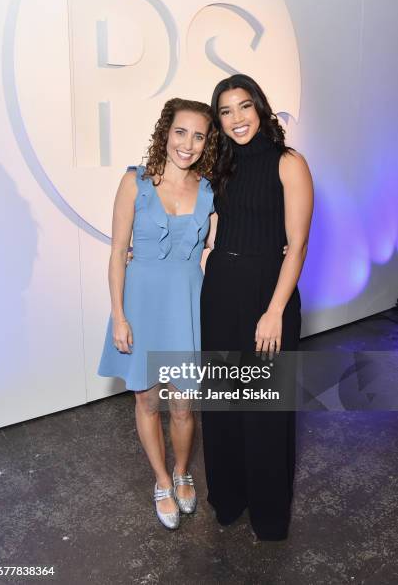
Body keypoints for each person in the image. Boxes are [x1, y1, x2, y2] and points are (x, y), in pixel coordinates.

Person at [201, 74, 314, 540]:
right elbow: (215, 217)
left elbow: (299, 243)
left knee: (266, 410)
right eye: (225, 112)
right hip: (222, 293)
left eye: (244, 107)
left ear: (260, 108)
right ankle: (229, 499)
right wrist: (208, 249)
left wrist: (274, 312)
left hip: (269, 294)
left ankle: (268, 515)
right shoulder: (220, 167)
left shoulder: (289, 162)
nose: (236, 119)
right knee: (224, 405)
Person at [98, 98, 216, 529]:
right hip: (140, 305)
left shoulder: (208, 190)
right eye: (181, 132)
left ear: (207, 143)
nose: (188, 143)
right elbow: (116, 252)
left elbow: (226, 243)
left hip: (186, 306)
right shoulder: (135, 182)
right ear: (165, 132)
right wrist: (118, 315)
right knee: (147, 399)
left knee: (184, 406)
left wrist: (276, 245)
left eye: (199, 135)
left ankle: (184, 472)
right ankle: (162, 479)